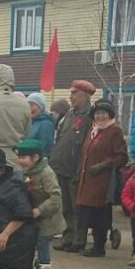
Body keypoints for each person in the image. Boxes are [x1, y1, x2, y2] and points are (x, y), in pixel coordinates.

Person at [74, 100, 128, 257]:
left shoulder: (114, 131)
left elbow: (122, 157)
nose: (100, 116)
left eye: (104, 113)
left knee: (100, 214)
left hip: (103, 180)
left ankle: (99, 246)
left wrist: (103, 165)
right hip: (87, 179)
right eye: (97, 113)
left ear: (110, 114)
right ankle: (94, 245)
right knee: (88, 213)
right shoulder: (94, 130)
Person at [12, 138, 65, 269]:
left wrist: (40, 210)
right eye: (19, 157)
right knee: (35, 241)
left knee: (42, 242)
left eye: (23, 158)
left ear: (35, 157)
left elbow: (55, 197)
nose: (20, 161)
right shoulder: (29, 171)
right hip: (36, 215)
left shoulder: (46, 173)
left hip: (48, 216)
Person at [50, 80, 94, 250]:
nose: (71, 97)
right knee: (65, 205)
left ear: (84, 95)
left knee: (77, 207)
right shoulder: (70, 115)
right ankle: (68, 236)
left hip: (76, 169)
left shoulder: (89, 116)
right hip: (61, 166)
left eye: (74, 93)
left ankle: (78, 239)